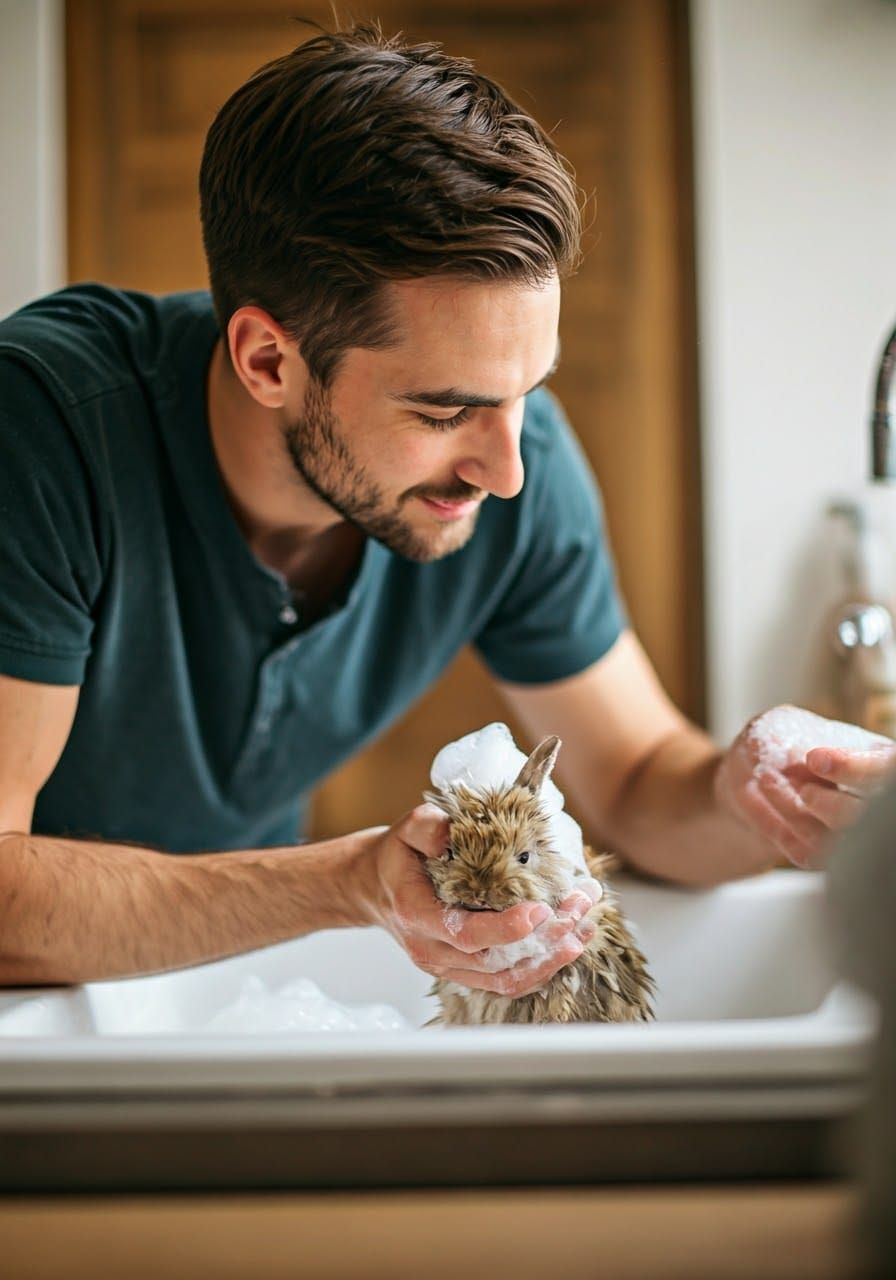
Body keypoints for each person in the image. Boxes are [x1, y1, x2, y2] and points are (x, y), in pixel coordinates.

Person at [0, 22, 892, 992]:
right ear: (267, 360)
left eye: (525, 393)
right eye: (443, 410)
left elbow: (635, 780)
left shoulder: (519, 459)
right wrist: (350, 881)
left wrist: (753, 791)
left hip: (219, 988)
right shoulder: (42, 433)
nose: (506, 472)